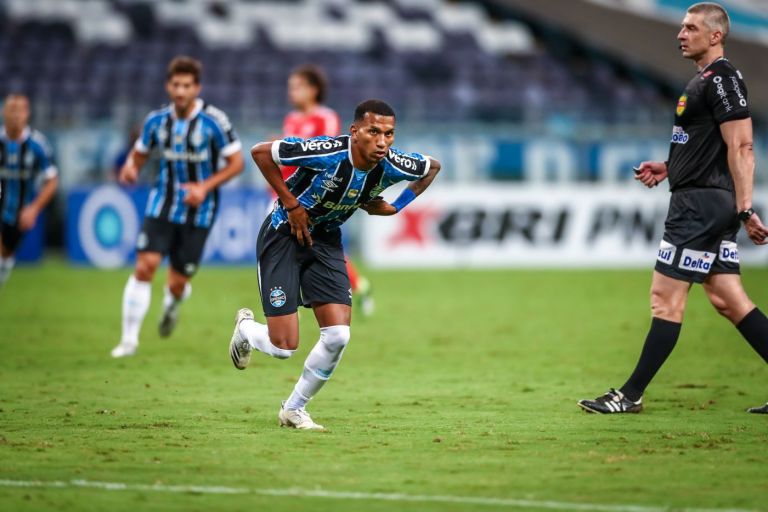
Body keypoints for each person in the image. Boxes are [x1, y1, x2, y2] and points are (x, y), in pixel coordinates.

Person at [578, 2, 768, 414]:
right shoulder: (706, 80)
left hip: (700, 206)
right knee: (729, 299)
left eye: (691, 28)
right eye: (681, 27)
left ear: (715, 35)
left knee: (665, 300)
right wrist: (670, 166)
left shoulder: (722, 79)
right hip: (703, 197)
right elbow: (711, 144)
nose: (681, 34)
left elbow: (742, 146)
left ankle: (629, 395)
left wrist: (746, 208)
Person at [229, 99, 441, 429]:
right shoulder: (326, 151)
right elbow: (260, 152)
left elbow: (432, 168)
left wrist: (397, 206)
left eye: (389, 134)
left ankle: (293, 408)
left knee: (338, 335)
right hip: (285, 232)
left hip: (325, 240)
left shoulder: (394, 163)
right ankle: (245, 329)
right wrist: (291, 203)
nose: (382, 142)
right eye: (374, 132)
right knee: (284, 347)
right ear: (354, 132)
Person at [110, 56, 244, 358]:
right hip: (162, 205)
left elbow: (237, 164)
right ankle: (129, 340)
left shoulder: (214, 121)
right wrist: (131, 167)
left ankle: (173, 302)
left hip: (200, 211)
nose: (180, 91)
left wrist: (204, 187)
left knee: (177, 282)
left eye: (187, 85)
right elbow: (140, 153)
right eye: (176, 85)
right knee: (144, 266)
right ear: (168, 86)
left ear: (197, 87)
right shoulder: (156, 121)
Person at [281, 64, 375, 316]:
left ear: (314, 90)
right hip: (288, 193)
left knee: (311, 244)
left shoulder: (325, 117)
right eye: (291, 87)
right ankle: (292, 301)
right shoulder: (290, 119)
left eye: (298, 87)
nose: (292, 92)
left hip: (315, 196)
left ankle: (291, 302)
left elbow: (328, 152)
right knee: (295, 245)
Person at [0, 94, 58, 288]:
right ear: (3, 112)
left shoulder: (37, 145)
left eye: (20, 111)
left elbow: (52, 181)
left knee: (5, 255)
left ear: (27, 114)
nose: (15, 115)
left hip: (19, 214)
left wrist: (34, 209)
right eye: (11, 110)